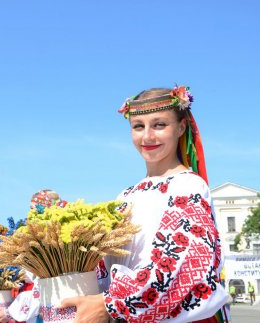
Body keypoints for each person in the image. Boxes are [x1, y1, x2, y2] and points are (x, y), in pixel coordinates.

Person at [60, 86, 228, 322]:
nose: (147, 136)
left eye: (159, 125)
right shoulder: (125, 196)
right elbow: (106, 266)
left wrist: (111, 304)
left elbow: (182, 264)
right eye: (138, 126)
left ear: (181, 127)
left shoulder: (188, 186)